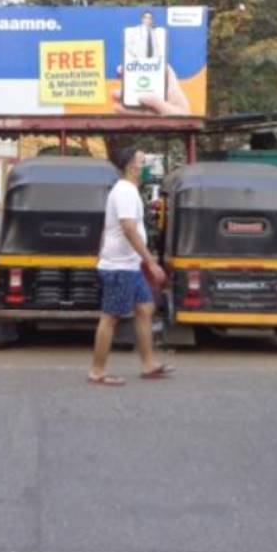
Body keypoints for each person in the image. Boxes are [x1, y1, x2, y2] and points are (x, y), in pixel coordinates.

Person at [88, 146, 174, 385]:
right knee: (111, 317)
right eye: (142, 161)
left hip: (129, 265)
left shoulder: (129, 190)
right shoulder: (125, 191)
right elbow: (128, 229)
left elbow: (108, 227)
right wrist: (151, 262)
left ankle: (148, 365)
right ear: (130, 166)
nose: (145, 166)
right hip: (120, 266)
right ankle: (97, 371)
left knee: (145, 308)